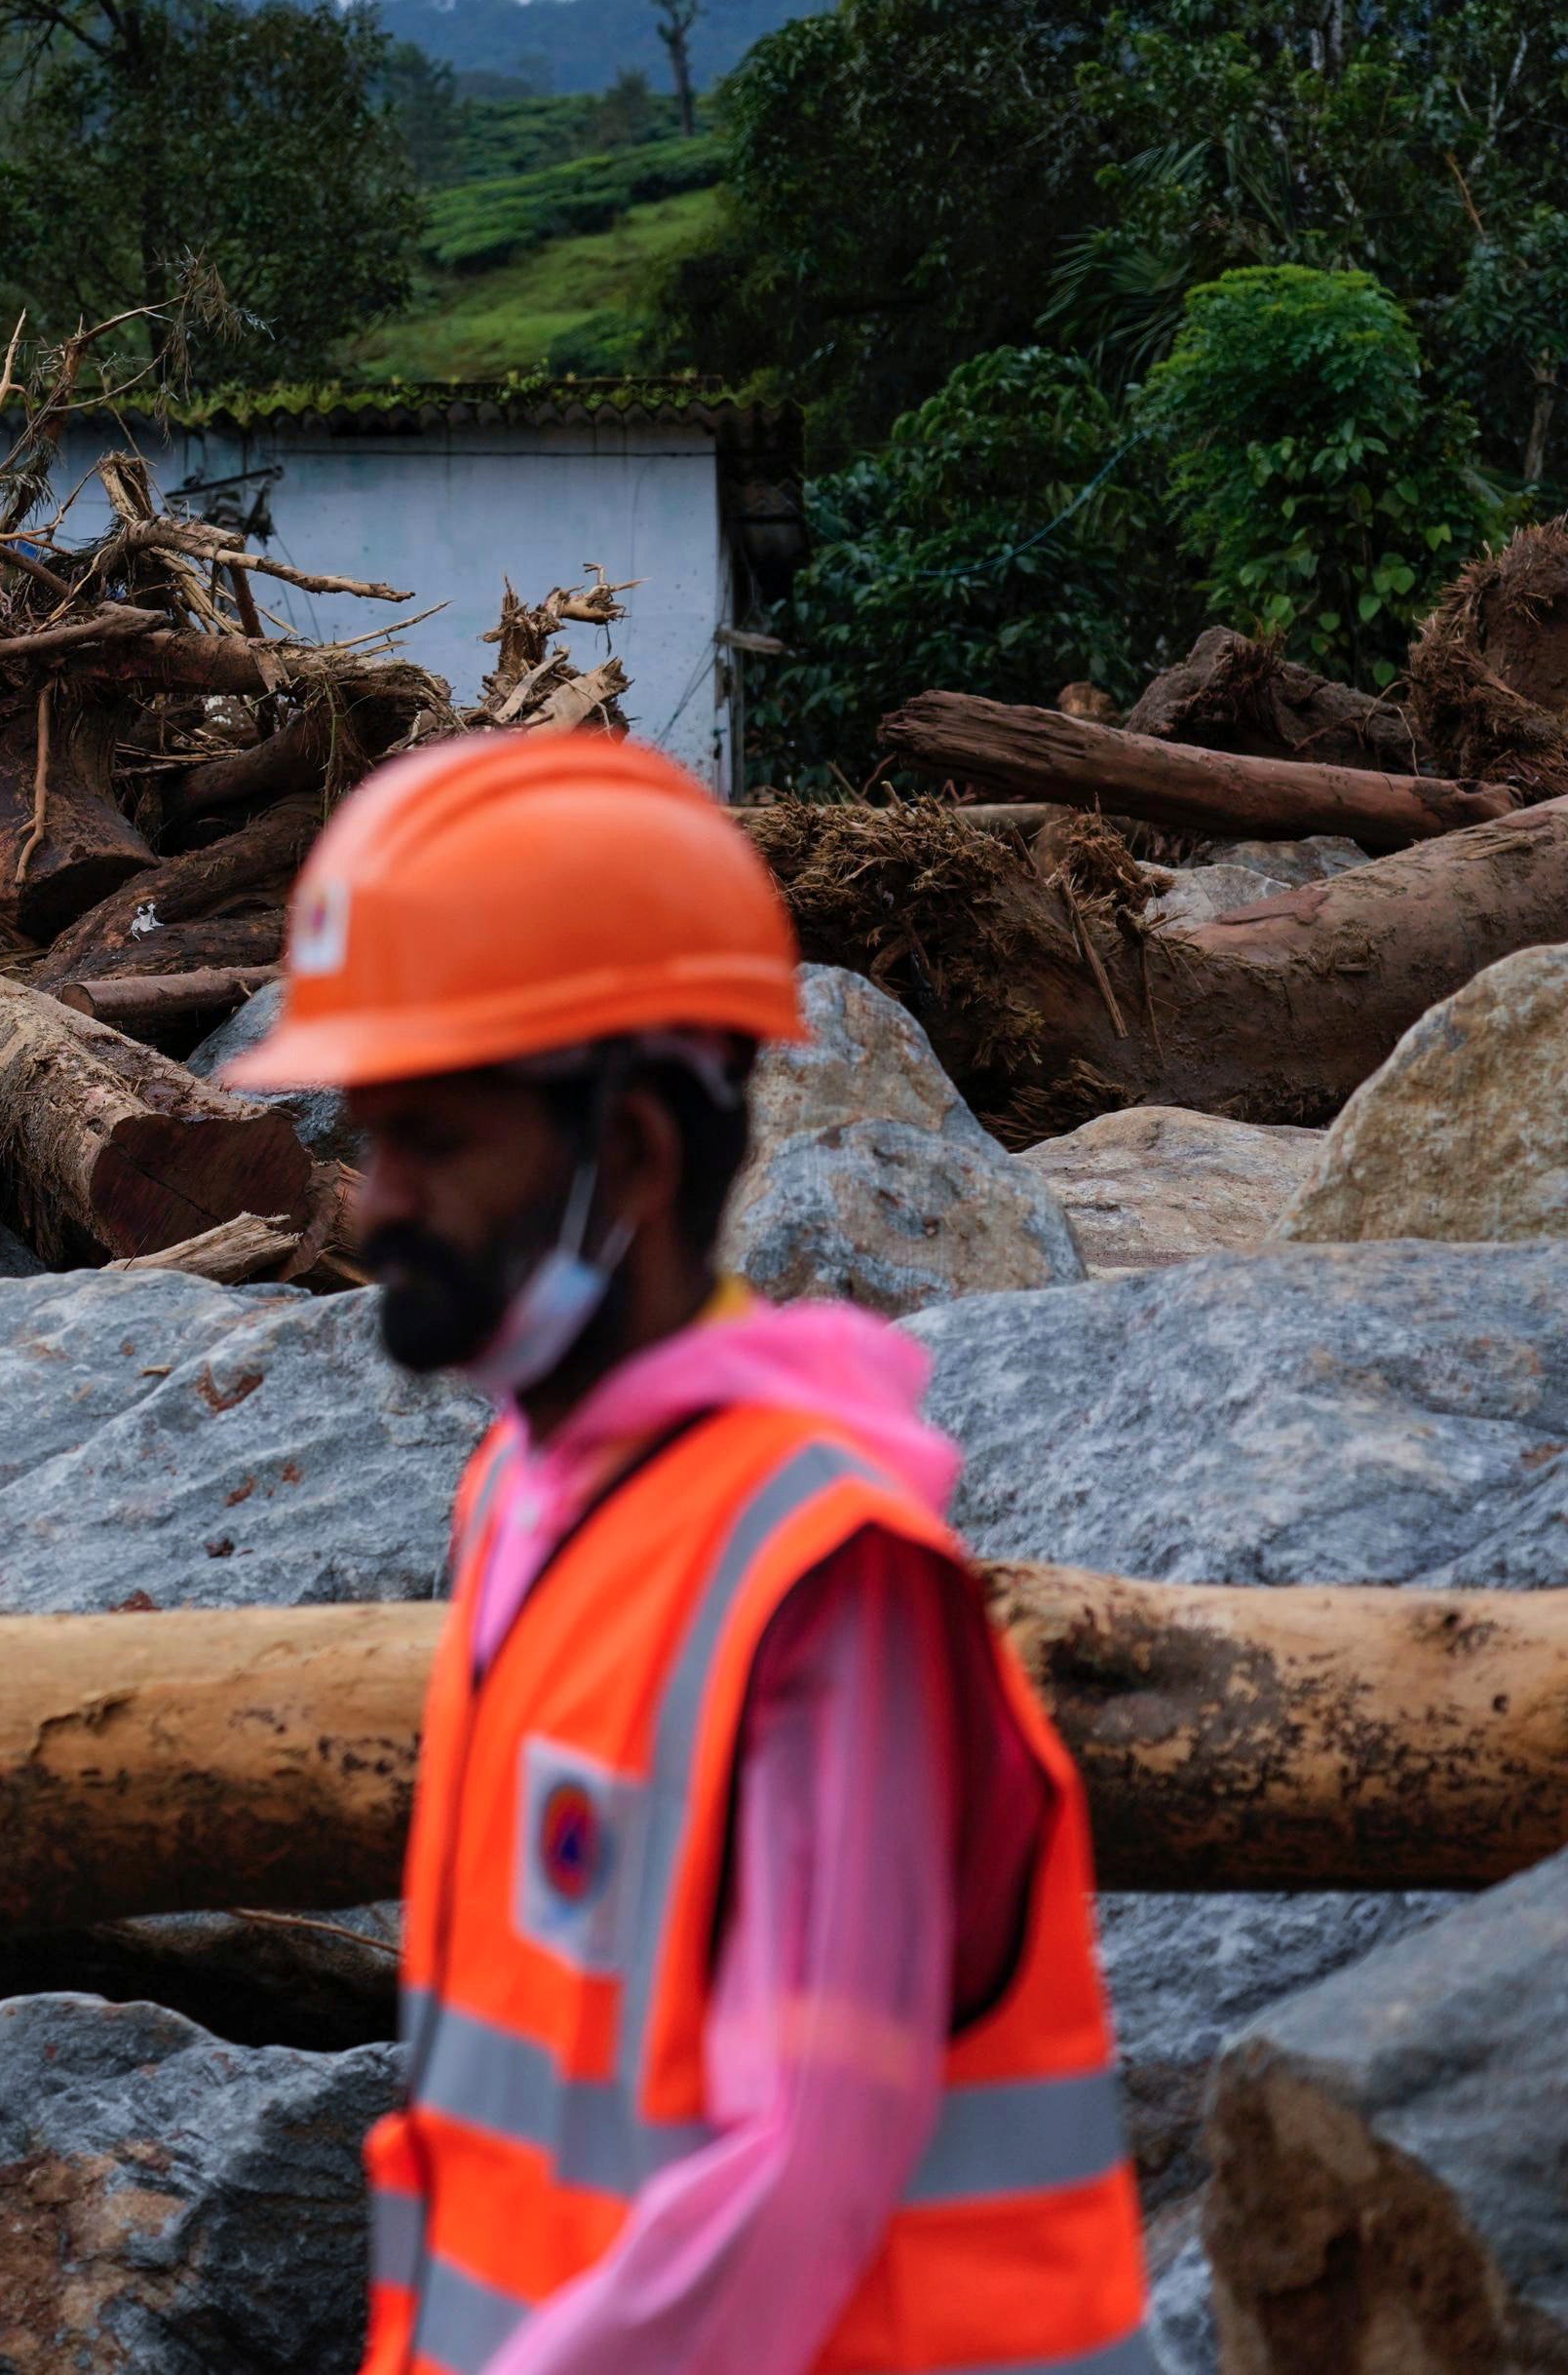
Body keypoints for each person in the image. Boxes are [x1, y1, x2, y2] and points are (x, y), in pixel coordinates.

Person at [216, 731, 1154, 2375]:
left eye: (433, 1138)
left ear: (636, 1157)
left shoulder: (824, 1572)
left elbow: (800, 2175)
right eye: (371, 1138)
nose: (375, 1207)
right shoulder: (525, 1489)